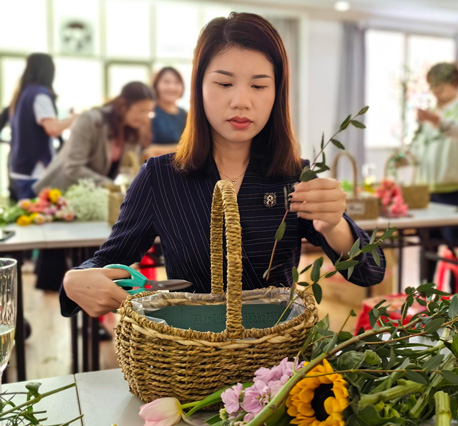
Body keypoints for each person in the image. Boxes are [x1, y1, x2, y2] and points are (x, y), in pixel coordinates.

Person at [60, 12, 386, 318]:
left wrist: (334, 226)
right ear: (199, 88)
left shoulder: (294, 177)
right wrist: (73, 280)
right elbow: (107, 261)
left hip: (280, 367)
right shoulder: (160, 177)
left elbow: (369, 269)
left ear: (277, 93)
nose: (241, 101)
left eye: (259, 86)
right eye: (224, 83)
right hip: (193, 358)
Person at [411, 62, 458, 289]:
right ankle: (423, 300)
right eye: (432, 88)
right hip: (427, 195)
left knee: (456, 256)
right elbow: (420, 148)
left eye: (439, 88)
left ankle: (457, 306)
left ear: (455, 84)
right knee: (427, 252)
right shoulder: (433, 114)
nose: (435, 93)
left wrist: (434, 119)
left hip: (456, 194)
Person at [34, 81, 155, 192]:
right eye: (141, 111)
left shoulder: (133, 131)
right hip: (60, 193)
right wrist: (109, 185)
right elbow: (73, 167)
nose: (145, 118)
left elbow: (126, 170)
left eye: (149, 112)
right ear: (123, 106)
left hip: (94, 197)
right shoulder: (90, 121)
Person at [8, 53, 75, 200]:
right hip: (35, 172)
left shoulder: (22, 94)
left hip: (19, 167)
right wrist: (75, 120)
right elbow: (53, 128)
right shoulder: (40, 95)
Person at [144, 67, 188, 159]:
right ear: (156, 85)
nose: (172, 87)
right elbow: (147, 151)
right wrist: (182, 149)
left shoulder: (184, 114)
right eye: (166, 82)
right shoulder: (149, 112)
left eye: (177, 83)